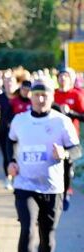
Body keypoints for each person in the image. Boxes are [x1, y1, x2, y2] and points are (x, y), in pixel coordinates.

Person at [7, 79, 81, 252]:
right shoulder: (20, 121)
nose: (40, 99)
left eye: (45, 95)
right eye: (37, 95)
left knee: (47, 236)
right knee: (27, 231)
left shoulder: (62, 121)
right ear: (30, 96)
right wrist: (10, 161)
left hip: (52, 186)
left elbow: (76, 149)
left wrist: (65, 155)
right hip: (24, 184)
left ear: (51, 97)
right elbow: (9, 141)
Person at [53, 68, 84, 211]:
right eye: (60, 76)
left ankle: (65, 193)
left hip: (71, 137)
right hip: (53, 136)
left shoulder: (76, 95)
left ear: (71, 79)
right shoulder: (53, 94)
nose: (63, 79)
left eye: (66, 76)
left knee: (67, 165)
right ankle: (54, 194)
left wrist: (70, 112)